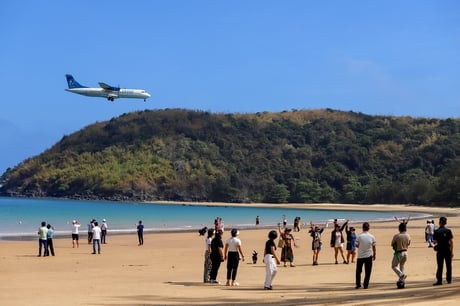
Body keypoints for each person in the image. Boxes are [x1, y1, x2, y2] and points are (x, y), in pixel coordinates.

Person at [433, 217, 454, 286]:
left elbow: (435, 242)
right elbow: (451, 242)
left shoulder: (436, 231)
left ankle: (439, 280)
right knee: (449, 265)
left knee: (440, 266)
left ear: (439, 222)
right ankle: (449, 280)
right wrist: (452, 251)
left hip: (440, 250)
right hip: (447, 250)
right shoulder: (448, 231)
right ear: (445, 223)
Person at [355, 222, 376, 289]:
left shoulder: (359, 236)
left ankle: (358, 284)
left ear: (363, 228)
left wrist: (361, 247)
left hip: (360, 256)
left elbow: (356, 245)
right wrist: (374, 254)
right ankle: (366, 284)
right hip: (369, 255)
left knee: (358, 271)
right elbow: (374, 247)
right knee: (368, 271)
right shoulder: (372, 236)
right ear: (368, 228)